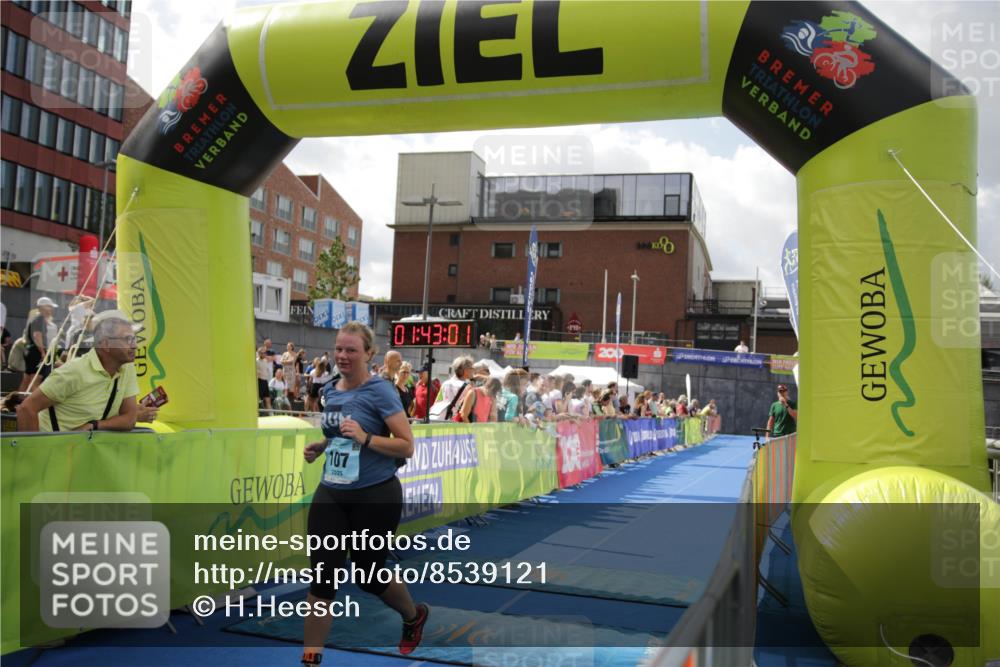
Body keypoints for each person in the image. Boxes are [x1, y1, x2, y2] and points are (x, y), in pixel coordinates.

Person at [300, 322, 426, 665]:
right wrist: (323, 446)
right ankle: (310, 659)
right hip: (332, 493)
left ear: (369, 354)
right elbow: (341, 432)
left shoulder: (381, 391)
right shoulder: (330, 390)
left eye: (351, 350)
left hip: (376, 495)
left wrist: (367, 438)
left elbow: (407, 446)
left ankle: (413, 616)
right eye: (339, 349)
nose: (342, 355)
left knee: (369, 576)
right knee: (322, 577)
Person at [16, 311, 158, 431]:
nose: (134, 345)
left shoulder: (127, 367)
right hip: (54, 455)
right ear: (106, 344)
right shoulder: (75, 372)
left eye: (134, 339)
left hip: (84, 454)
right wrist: (33, 454)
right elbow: (26, 409)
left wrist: (94, 426)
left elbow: (129, 419)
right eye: (128, 339)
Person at [19, 298, 58, 391]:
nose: (51, 309)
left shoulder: (36, 319)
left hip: (29, 351)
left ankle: (16, 401)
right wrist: (42, 352)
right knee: (35, 380)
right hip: (35, 352)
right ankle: (35, 403)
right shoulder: (40, 319)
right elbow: (37, 336)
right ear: (42, 307)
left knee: (27, 379)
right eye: (49, 306)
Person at [429, 356, 473, 420]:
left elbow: (438, 401)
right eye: (471, 368)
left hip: (442, 420)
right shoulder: (468, 387)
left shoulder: (445, 383)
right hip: (456, 422)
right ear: (465, 370)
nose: (473, 370)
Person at [256, 347, 273, 411]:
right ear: (259, 353)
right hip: (259, 381)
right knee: (258, 400)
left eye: (264, 353)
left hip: (265, 381)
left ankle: (271, 414)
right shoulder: (256, 361)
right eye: (262, 353)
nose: (264, 354)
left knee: (268, 399)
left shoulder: (265, 361)